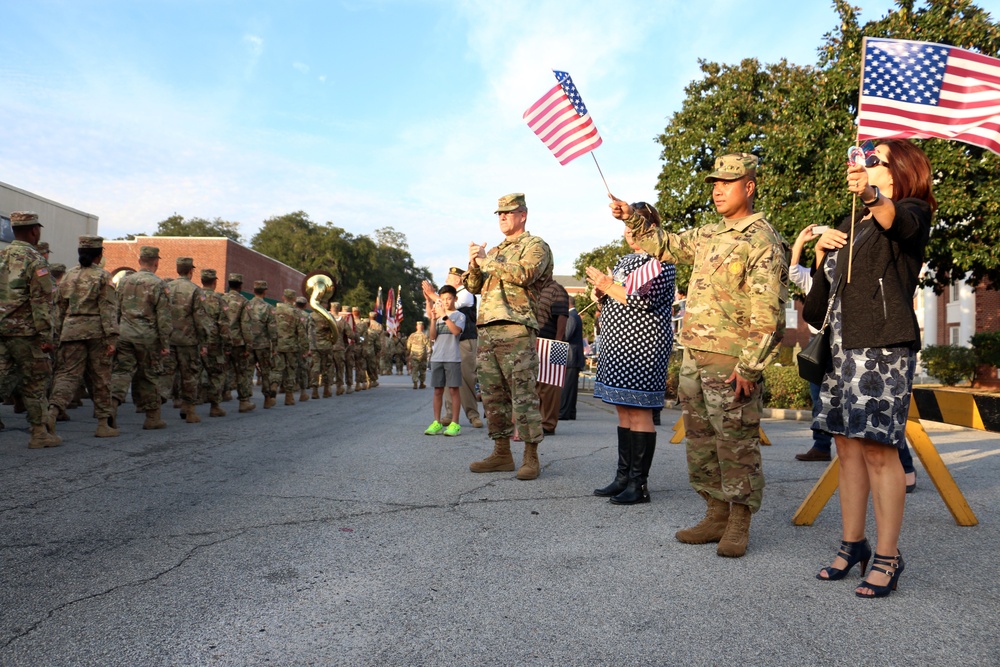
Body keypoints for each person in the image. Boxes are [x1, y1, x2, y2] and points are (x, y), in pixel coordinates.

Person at [611, 153, 788, 557]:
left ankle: (739, 521)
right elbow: (664, 244)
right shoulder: (709, 234)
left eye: (729, 181)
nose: (719, 189)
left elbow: (768, 311)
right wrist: (630, 218)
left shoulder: (762, 238)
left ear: (750, 186)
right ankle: (715, 512)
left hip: (731, 359)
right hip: (694, 353)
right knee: (702, 439)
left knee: (736, 441)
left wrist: (751, 365)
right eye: (715, 183)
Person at [811, 139, 935, 598]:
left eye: (874, 160)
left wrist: (870, 195)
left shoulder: (912, 210)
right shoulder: (851, 220)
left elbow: (898, 222)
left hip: (881, 348)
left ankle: (888, 555)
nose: (864, 165)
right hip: (839, 348)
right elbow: (815, 308)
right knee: (846, 449)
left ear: (899, 171)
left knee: (879, 450)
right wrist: (820, 255)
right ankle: (853, 543)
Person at [586, 204, 676, 504]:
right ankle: (623, 477)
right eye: (625, 229)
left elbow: (640, 301)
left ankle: (638, 484)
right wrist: (600, 292)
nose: (628, 234)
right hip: (618, 344)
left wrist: (608, 285)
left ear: (650, 228)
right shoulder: (626, 260)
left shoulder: (662, 260)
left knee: (639, 411)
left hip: (643, 347)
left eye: (633, 227)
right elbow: (614, 298)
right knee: (623, 410)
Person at [464, 192, 553, 481]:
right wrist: (474, 265)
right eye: (499, 213)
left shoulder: (535, 245)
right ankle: (501, 453)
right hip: (488, 328)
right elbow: (475, 287)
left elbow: (525, 273)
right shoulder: (496, 250)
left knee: (523, 394)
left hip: (516, 327)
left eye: (508, 212)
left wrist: (487, 261)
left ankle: (530, 456)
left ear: (523, 215)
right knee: (492, 396)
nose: (502, 217)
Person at [0, 211, 62, 448]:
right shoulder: (35, 260)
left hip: (1, 330)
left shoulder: (1, 255)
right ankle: (39, 434)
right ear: (34, 230)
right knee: (35, 382)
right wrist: (46, 336)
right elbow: (41, 301)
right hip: (26, 333)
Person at [49, 235, 120, 438]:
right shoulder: (103, 276)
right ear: (99, 255)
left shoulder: (68, 276)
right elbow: (107, 309)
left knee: (67, 375)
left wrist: (58, 335)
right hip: (96, 331)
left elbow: (59, 309)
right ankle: (103, 423)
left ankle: (51, 413)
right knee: (101, 376)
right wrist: (112, 338)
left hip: (70, 331)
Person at [111, 246, 172, 430]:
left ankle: (110, 408)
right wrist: (165, 343)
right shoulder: (159, 284)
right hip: (147, 337)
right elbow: (164, 317)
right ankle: (152, 418)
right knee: (150, 375)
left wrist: (115, 333)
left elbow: (116, 309)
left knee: (121, 372)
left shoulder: (124, 282)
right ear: (156, 262)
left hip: (125, 334)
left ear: (139, 261)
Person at [789, 224, 836, 462]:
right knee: (818, 395)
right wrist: (800, 241)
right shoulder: (811, 277)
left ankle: (837, 446)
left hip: (841, 342)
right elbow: (792, 271)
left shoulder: (842, 275)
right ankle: (821, 446)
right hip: (819, 343)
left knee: (844, 395)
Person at [434, 268, 484, 428]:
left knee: (467, 378)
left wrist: (431, 294)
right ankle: (449, 414)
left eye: (449, 279)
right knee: (449, 381)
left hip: (465, 340)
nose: (446, 282)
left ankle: (473, 415)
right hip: (449, 343)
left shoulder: (466, 292)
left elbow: (447, 305)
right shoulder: (452, 294)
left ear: (458, 280)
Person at [165, 257, 210, 423]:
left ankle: (153, 414)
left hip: (168, 339)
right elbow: (200, 319)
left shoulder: (166, 287)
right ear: (191, 271)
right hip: (188, 341)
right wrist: (204, 341)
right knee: (189, 376)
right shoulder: (196, 290)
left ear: (177, 270)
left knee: (165, 376)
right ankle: (189, 411)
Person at [424, 284, 465, 436]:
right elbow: (432, 336)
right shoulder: (438, 315)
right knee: (437, 391)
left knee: (454, 390)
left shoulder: (459, 316)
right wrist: (434, 320)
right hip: (437, 357)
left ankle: (455, 423)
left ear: (455, 299)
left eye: (449, 298)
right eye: (443, 299)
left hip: (452, 358)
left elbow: (455, 331)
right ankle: (436, 422)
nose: (446, 302)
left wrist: (444, 315)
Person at [534, 275, 569, 435]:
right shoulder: (531, 288)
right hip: (532, 342)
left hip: (552, 343)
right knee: (533, 385)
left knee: (550, 387)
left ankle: (548, 424)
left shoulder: (557, 290)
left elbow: (562, 317)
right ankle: (534, 421)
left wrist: (558, 342)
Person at [221, 273, 255, 413]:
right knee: (242, 372)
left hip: (222, 341)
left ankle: (219, 398)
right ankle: (244, 402)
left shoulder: (221, 299)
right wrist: (248, 346)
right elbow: (246, 326)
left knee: (222, 371)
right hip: (238, 342)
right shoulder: (244, 301)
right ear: (240, 286)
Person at [241, 280, 278, 408]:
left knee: (247, 372)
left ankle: (244, 400)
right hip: (263, 345)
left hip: (249, 344)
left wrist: (245, 343)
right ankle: (267, 399)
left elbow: (243, 325)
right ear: (265, 291)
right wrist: (274, 345)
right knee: (266, 372)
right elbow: (272, 329)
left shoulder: (247, 305)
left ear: (253, 290)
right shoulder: (268, 307)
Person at [199, 269, 230, 417]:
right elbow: (224, 325)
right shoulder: (219, 300)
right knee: (217, 374)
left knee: (193, 372)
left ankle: (188, 405)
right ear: (215, 282)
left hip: (195, 340)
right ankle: (215, 406)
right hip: (214, 343)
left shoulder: (195, 295)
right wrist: (227, 345)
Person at [274, 289, 306, 405]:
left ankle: (273, 387)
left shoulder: (275, 310)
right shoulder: (296, 312)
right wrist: (305, 348)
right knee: (290, 370)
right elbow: (301, 333)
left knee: (277, 368)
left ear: (283, 297)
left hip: (278, 344)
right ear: (294, 299)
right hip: (292, 346)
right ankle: (289, 397)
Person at [560, 295, 585, 421]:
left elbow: (567, 335)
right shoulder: (575, 315)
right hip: (573, 357)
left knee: (567, 387)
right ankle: (570, 412)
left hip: (570, 357)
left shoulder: (571, 317)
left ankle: (564, 412)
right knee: (571, 388)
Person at [310, 296, 340, 398]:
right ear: (325, 304)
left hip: (314, 345)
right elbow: (335, 330)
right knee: (327, 367)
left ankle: (315, 390)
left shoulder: (311, 316)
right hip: (326, 345)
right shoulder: (327, 316)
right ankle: (326, 389)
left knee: (315, 367)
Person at [295, 296, 314, 400]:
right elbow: (310, 334)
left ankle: (288, 386)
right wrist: (309, 348)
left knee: (290, 366)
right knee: (303, 368)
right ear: (305, 305)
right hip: (302, 345)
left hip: (290, 344)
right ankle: (303, 392)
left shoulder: (291, 313)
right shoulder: (307, 316)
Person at [406, 321, 431, 389]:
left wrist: (408, 353)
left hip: (414, 355)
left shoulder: (412, 335)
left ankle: (415, 383)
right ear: (422, 327)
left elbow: (408, 346)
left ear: (416, 327)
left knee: (414, 369)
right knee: (422, 370)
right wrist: (429, 353)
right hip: (423, 355)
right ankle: (422, 383)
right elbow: (429, 346)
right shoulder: (425, 336)